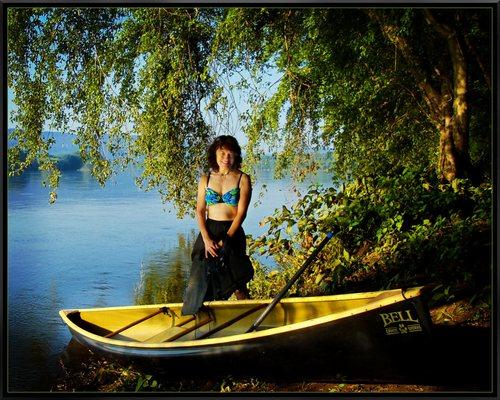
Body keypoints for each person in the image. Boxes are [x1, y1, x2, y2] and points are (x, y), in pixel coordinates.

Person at [181, 135, 253, 315]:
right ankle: (194, 315)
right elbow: (199, 210)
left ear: (236, 156)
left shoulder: (243, 179)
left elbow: (241, 213)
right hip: (209, 230)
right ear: (215, 153)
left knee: (236, 279)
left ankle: (247, 315)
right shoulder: (205, 179)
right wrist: (206, 239)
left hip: (232, 232)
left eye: (230, 154)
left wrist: (226, 241)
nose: (226, 158)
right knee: (199, 275)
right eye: (222, 153)